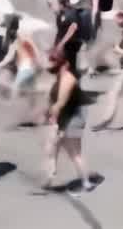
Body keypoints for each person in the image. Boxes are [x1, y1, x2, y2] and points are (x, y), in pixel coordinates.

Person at [41, 53, 96, 194]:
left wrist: (53, 118)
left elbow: (60, 103)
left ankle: (86, 182)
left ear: (64, 64)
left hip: (72, 118)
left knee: (74, 152)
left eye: (53, 62)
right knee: (52, 148)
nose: (51, 66)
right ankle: (50, 178)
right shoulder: (60, 77)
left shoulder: (68, 78)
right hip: (64, 118)